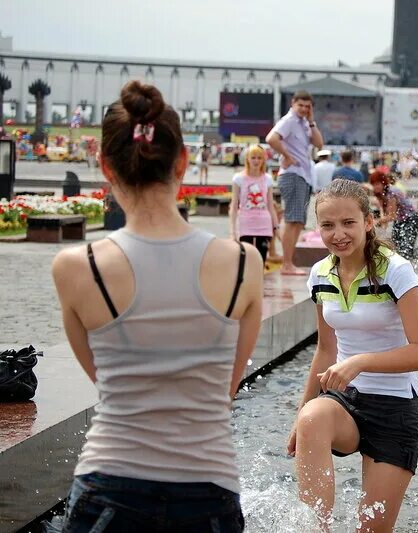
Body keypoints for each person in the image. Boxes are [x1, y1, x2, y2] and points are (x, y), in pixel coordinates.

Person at [51, 81, 264, 532]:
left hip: (109, 485)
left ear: (106, 167)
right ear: (183, 161)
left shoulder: (74, 267)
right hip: (208, 488)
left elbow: (105, 380)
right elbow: (224, 388)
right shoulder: (244, 263)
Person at [287, 179, 418, 532]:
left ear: (368, 222)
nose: (338, 234)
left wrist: (360, 361)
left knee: (371, 530)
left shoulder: (394, 270)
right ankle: (316, 529)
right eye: (327, 225)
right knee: (312, 418)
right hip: (345, 403)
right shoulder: (320, 274)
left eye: (348, 223)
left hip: (394, 409)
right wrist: (301, 414)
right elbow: (325, 349)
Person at [267, 90, 323, 275]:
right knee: (292, 220)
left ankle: (288, 262)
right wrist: (287, 156)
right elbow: (271, 138)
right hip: (293, 174)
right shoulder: (289, 120)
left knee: (298, 221)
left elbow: (319, 144)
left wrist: (311, 120)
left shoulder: (304, 123)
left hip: (303, 175)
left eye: (308, 106)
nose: (304, 109)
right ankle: (287, 263)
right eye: (301, 105)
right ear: (293, 103)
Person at [230, 144, 279, 268]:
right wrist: (232, 231)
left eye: (259, 158)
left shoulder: (267, 179)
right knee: (245, 258)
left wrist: (276, 227)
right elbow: (234, 205)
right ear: (247, 159)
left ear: (263, 160)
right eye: (253, 158)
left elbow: (270, 206)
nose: (256, 161)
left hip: (264, 224)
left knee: (261, 260)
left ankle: (258, 286)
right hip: (246, 223)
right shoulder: (238, 179)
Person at [369, 168, 418, 260]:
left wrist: (376, 221)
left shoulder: (391, 193)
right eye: (373, 184)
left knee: (406, 249)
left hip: (410, 220)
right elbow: (385, 214)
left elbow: (392, 216)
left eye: (377, 184)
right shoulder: (381, 194)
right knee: (394, 247)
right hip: (400, 220)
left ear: (383, 183)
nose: (375, 187)